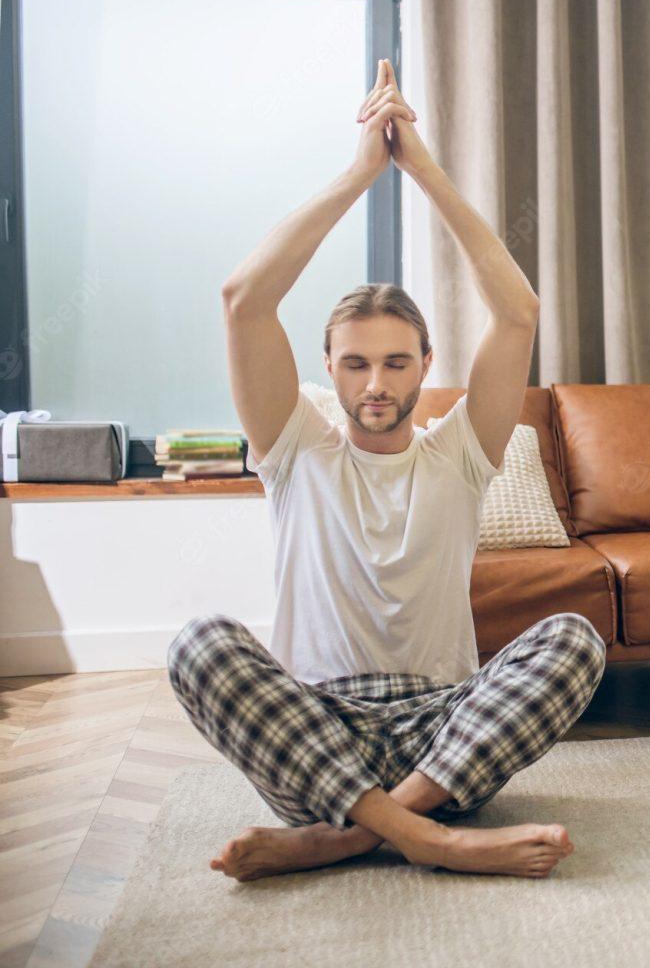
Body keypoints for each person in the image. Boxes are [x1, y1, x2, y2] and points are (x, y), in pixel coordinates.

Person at [167, 60, 605, 881]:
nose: (378, 384)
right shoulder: (295, 448)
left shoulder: (462, 452)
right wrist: (361, 171)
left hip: (442, 735)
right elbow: (243, 299)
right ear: (328, 369)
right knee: (198, 644)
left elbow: (518, 312)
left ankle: (350, 835)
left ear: (425, 364)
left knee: (574, 639)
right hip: (319, 732)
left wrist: (423, 168)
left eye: (398, 363)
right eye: (358, 364)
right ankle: (429, 838)